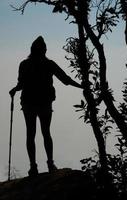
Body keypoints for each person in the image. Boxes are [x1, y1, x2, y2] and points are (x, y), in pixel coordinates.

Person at [9, 36, 82, 177]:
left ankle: (33, 167)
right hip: (44, 103)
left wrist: (14, 90)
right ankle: (50, 163)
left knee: (31, 134)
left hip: (29, 103)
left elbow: (21, 84)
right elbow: (65, 79)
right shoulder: (49, 64)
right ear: (43, 50)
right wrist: (81, 86)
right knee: (46, 133)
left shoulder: (24, 64)